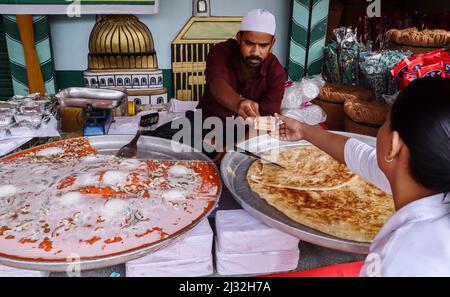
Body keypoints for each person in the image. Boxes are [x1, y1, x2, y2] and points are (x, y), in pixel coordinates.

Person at [272, 77, 450, 276]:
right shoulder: (426, 183)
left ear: (394, 145)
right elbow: (358, 155)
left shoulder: (401, 258)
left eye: (385, 123)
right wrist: (303, 130)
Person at [146, 9, 286, 158]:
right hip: (205, 122)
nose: (255, 52)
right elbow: (216, 83)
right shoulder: (221, 51)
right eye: (249, 43)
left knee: (259, 149)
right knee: (157, 139)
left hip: (242, 133)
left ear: (272, 43)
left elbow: (267, 122)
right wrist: (238, 103)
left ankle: (213, 151)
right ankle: (208, 149)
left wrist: (232, 149)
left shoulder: (276, 73)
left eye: (263, 46)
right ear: (239, 38)